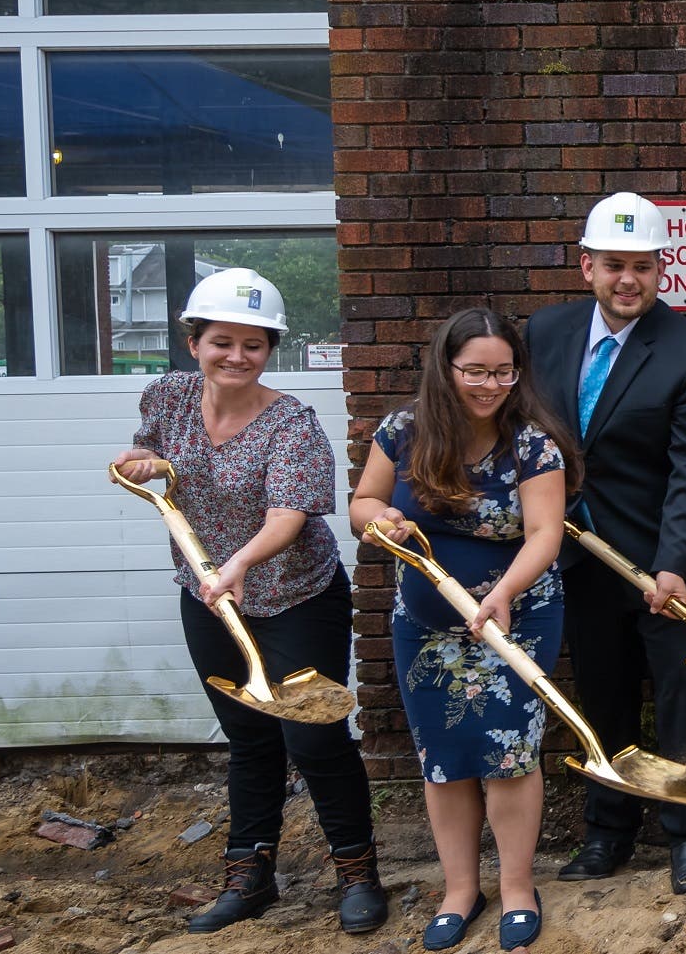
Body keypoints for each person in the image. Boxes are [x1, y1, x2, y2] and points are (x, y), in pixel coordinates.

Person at [113, 268, 385, 937]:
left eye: (253, 345)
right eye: (222, 341)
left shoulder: (291, 422)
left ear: (270, 350)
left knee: (314, 735)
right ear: (194, 342)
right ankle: (250, 873)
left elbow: (288, 515)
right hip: (207, 595)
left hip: (296, 595)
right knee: (249, 737)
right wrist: (144, 462)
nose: (237, 356)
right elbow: (153, 451)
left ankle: (357, 872)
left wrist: (236, 563)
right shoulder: (168, 395)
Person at [524, 192, 686, 893]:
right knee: (603, 696)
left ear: (660, 270)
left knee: (682, 702)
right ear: (587, 265)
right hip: (579, 559)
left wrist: (672, 564)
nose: (627, 279)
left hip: (667, 564)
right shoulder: (546, 333)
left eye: (642, 266)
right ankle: (607, 830)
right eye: (614, 264)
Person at [350, 307, 580, 952]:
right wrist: (380, 520)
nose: (490, 385)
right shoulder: (403, 430)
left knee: (509, 754)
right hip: (425, 626)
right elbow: (362, 503)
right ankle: (459, 890)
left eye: (504, 372)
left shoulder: (533, 444)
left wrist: (504, 591)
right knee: (443, 760)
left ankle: (516, 888)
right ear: (445, 368)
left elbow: (546, 533)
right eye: (475, 371)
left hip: (517, 616)